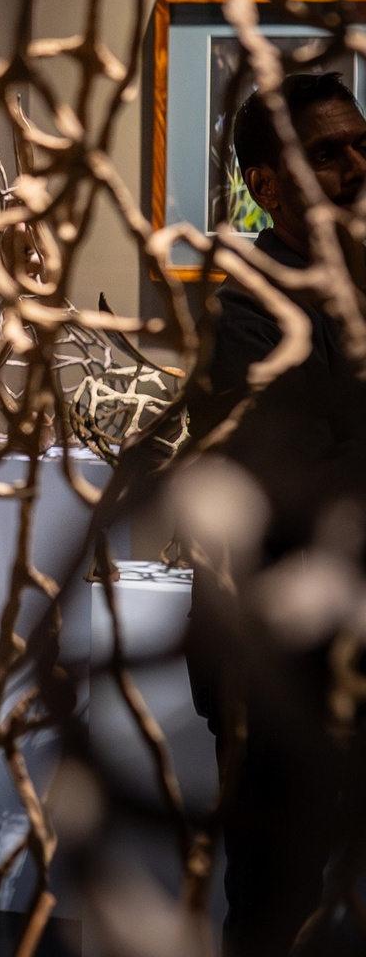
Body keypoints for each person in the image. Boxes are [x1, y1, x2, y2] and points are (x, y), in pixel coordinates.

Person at [182, 71, 366, 957]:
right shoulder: (246, 309)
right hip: (278, 666)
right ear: (265, 184)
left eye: (361, 144)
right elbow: (296, 487)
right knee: (276, 903)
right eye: (327, 154)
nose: (357, 167)